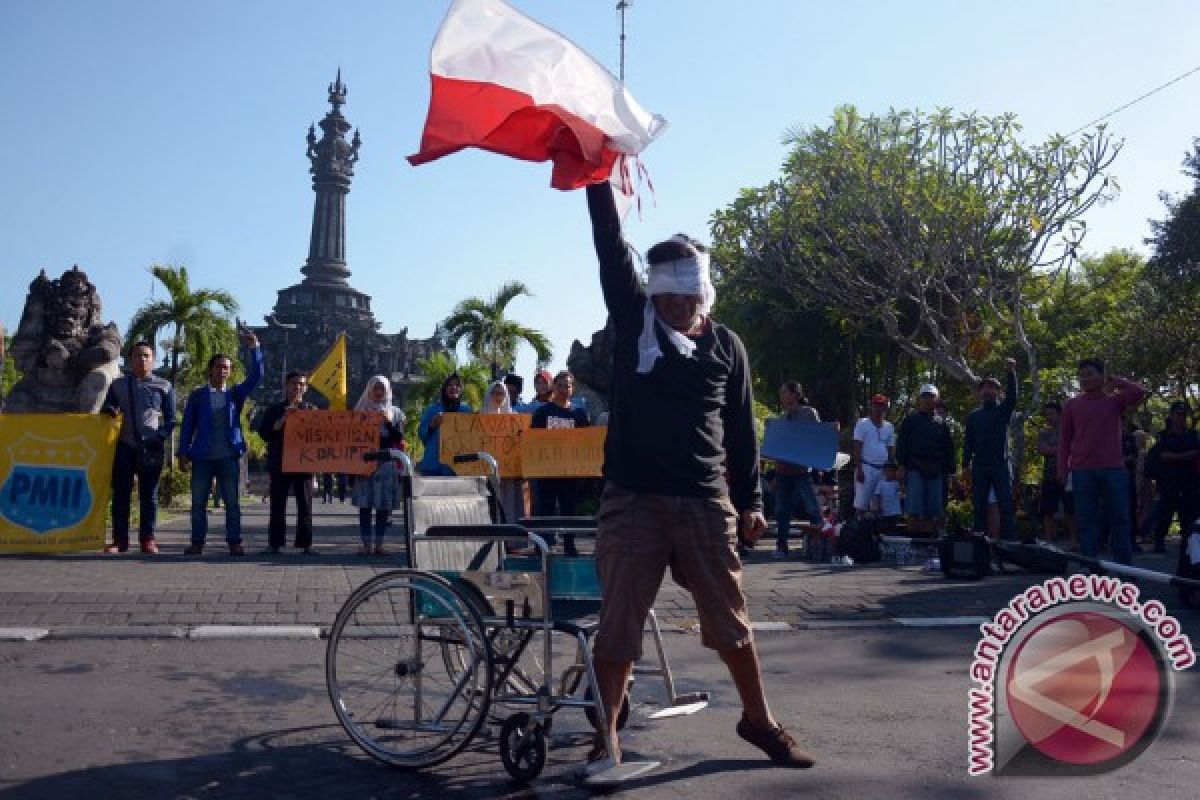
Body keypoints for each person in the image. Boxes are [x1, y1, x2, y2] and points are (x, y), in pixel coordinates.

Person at [585, 181, 814, 769]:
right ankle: (606, 735)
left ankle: (758, 721)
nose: (681, 308)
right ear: (654, 293)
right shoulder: (635, 323)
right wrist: (595, 176)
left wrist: (752, 500)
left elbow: (741, 429)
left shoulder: (727, 346)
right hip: (634, 499)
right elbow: (611, 248)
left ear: (704, 293)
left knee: (732, 621)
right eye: (670, 297)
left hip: (706, 502)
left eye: (691, 297)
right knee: (619, 626)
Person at [177, 332, 263, 556]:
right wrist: (183, 452)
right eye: (218, 367)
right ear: (210, 370)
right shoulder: (197, 396)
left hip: (228, 455)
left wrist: (255, 350)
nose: (222, 371)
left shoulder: (235, 394)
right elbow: (187, 426)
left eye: (226, 368)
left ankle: (234, 541)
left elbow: (256, 377)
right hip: (202, 456)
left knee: (232, 503)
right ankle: (197, 542)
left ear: (230, 372)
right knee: (198, 503)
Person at [1058, 358, 1146, 565]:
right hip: (1081, 470)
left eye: (1090, 374)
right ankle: (1091, 569)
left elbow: (1139, 392)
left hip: (1113, 469)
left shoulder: (1114, 400)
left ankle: (1125, 570)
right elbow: (1064, 440)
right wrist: (1063, 469)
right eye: (1081, 375)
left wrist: (1118, 381)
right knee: (1086, 522)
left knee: (1120, 520)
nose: (1085, 379)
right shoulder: (1072, 404)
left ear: (1101, 376)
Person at [101, 340, 176, 554]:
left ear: (153, 360)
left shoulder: (164, 386)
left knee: (149, 496)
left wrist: (159, 437)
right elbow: (108, 407)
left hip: (151, 448)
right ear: (130, 359)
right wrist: (110, 410)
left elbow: (171, 419)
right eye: (137, 356)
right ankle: (119, 540)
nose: (142, 360)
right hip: (125, 446)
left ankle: (148, 539)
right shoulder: (118, 385)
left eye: (146, 356)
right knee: (121, 494)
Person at [256, 370, 317, 555]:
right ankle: (274, 543)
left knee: (305, 504)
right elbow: (264, 433)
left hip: (304, 463)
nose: (297, 387)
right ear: (286, 386)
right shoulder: (274, 409)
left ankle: (306, 544)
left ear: (305, 388)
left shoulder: (311, 410)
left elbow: (318, 437)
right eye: (293, 383)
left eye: (301, 384)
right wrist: (284, 419)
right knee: (277, 504)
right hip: (280, 461)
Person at [530, 370, 589, 556]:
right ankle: (542, 547)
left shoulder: (579, 414)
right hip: (546, 472)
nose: (565, 389)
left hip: (570, 473)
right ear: (554, 387)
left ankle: (569, 546)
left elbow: (587, 441)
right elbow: (533, 439)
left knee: (569, 510)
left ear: (573, 388)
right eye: (561, 385)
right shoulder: (542, 412)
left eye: (568, 385)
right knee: (545, 510)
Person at [961, 360, 1019, 541]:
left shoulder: (1003, 411)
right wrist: (965, 464)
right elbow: (968, 442)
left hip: (1000, 465)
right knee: (979, 506)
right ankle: (979, 541)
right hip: (980, 466)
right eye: (984, 387)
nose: (988, 390)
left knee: (1005, 505)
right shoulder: (973, 417)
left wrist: (1011, 373)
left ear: (997, 392)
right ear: (979, 392)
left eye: (992, 387)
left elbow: (1012, 398)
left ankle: (1009, 542)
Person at [353, 375, 406, 556]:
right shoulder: (360, 410)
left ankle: (379, 544)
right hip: (365, 460)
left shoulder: (396, 412)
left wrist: (388, 422)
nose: (378, 392)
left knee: (383, 505)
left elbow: (398, 438)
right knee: (365, 504)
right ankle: (366, 544)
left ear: (387, 391)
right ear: (369, 390)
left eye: (381, 389)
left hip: (386, 461)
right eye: (375, 388)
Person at [771, 381, 822, 559]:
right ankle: (781, 547)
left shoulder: (809, 413)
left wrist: (831, 431)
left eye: (784, 392)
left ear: (795, 394)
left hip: (801, 471)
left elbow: (818, 437)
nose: (782, 396)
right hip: (783, 471)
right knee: (781, 510)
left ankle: (819, 543)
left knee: (812, 507)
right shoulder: (781, 418)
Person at [896, 385, 955, 535]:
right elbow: (901, 444)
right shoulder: (910, 421)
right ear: (920, 399)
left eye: (932, 396)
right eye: (925, 396)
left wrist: (951, 473)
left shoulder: (942, 424)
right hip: (915, 468)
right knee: (913, 509)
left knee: (934, 510)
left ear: (937, 399)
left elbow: (949, 449)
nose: (928, 399)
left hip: (936, 471)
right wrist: (901, 466)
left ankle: (930, 544)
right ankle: (913, 542)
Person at [1150, 401, 1200, 555]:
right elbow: (1164, 456)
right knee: (1166, 511)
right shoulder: (1164, 436)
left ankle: (1188, 542)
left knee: (1189, 513)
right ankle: (1159, 541)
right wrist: (1186, 456)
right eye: (1178, 414)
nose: (1181, 418)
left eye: (1184, 415)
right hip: (1169, 480)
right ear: (1171, 416)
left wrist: (1180, 457)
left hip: (1190, 480)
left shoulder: (1193, 435)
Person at [483, 379, 527, 522]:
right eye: (495, 393)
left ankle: (510, 539)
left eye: (502, 393)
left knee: (509, 503)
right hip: (487, 471)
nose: (498, 396)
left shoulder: (514, 417)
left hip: (509, 471)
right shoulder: (480, 417)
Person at [417, 373, 473, 476]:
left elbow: (473, 439)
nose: (454, 387)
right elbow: (422, 435)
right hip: (433, 466)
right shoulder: (432, 410)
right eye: (450, 385)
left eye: (457, 385)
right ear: (444, 388)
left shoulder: (466, 411)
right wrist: (432, 426)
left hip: (458, 467)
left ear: (461, 390)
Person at [1037, 401, 1075, 546]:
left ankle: (1073, 540)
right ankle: (1048, 540)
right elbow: (1043, 450)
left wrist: (1054, 448)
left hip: (1068, 475)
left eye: (1052, 414)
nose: (1049, 417)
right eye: (1047, 415)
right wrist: (1063, 448)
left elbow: (1074, 449)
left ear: (1060, 415)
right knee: (1048, 509)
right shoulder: (1043, 433)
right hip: (1049, 475)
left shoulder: (1071, 432)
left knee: (1070, 509)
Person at [852, 395, 896, 518]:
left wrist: (890, 472)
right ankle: (858, 530)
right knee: (861, 505)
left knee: (879, 506)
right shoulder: (862, 423)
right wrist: (859, 469)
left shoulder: (889, 427)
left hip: (882, 470)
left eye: (881, 405)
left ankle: (876, 533)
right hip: (866, 468)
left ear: (886, 408)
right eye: (875, 405)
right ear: (871, 406)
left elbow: (890, 450)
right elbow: (856, 447)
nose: (878, 408)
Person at [874, 462, 903, 533]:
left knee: (893, 528)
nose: (890, 473)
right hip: (884, 511)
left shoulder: (897, 483)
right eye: (888, 471)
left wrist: (900, 479)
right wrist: (878, 506)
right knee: (884, 528)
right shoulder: (880, 483)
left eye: (892, 471)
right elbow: (877, 495)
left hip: (895, 511)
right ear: (884, 472)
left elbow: (902, 491)